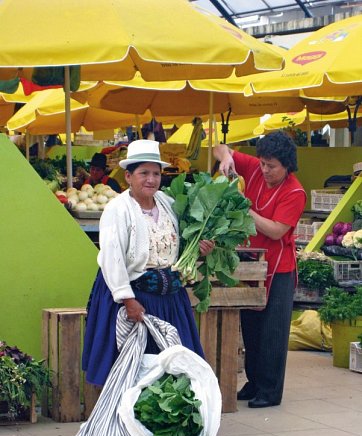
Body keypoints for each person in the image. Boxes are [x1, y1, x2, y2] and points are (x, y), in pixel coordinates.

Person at [82, 139, 214, 386]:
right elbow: (112, 258)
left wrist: (200, 249)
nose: (151, 179)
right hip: (132, 296)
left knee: (173, 363)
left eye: (156, 173)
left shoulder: (168, 204)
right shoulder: (117, 210)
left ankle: (168, 416)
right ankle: (124, 416)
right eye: (144, 173)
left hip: (168, 298)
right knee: (131, 366)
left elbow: (177, 245)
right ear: (129, 176)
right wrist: (128, 300)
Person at [213, 130, 306, 408]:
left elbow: (277, 230)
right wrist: (226, 158)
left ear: (286, 165)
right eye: (263, 163)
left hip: (279, 269)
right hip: (251, 263)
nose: (265, 170)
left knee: (272, 331)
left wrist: (245, 208)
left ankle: (270, 390)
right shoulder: (254, 169)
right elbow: (219, 147)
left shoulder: (294, 191)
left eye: (271, 166)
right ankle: (253, 383)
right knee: (251, 326)